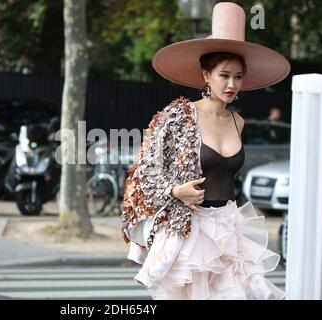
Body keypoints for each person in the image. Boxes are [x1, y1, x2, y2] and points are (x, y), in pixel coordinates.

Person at [121, 2, 290, 300]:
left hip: (229, 227)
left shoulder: (238, 121)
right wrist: (175, 191)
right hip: (191, 231)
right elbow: (143, 174)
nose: (231, 84)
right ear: (206, 75)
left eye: (238, 76)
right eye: (224, 75)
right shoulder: (178, 116)